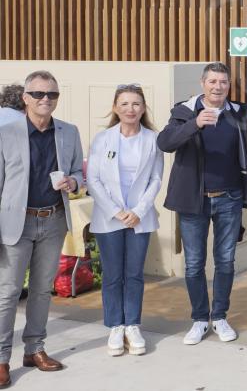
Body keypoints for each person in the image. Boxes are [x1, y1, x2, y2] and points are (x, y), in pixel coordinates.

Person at [157, 62, 247, 345]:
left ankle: (220, 317)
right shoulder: (184, 111)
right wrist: (195, 124)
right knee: (194, 264)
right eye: (213, 81)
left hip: (229, 197)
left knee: (226, 261)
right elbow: (165, 143)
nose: (218, 87)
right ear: (203, 83)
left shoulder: (237, 111)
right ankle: (200, 319)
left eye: (223, 82)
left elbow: (243, 154)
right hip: (194, 200)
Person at [0, 71, 84, 384]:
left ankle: (34, 348)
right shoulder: (6, 132)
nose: (45, 99)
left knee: (41, 291)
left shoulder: (69, 132)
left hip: (53, 219)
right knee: (7, 293)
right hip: (15, 223)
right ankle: (1, 358)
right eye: (38, 94)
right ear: (25, 98)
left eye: (52, 94)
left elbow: (79, 172)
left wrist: (74, 180)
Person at [87, 85, 164, 356]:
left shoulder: (153, 139)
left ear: (143, 108)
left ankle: (132, 324)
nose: (130, 109)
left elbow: (156, 179)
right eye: (124, 104)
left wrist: (139, 210)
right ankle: (115, 326)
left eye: (135, 104)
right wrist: (116, 210)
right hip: (110, 218)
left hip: (138, 218)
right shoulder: (102, 139)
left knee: (133, 274)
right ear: (115, 107)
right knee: (112, 275)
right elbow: (92, 179)